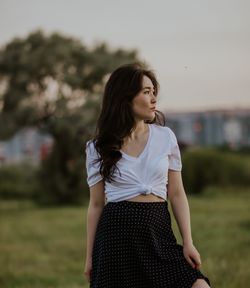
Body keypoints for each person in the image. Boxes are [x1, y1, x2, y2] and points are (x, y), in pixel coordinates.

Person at [84, 62, 211, 288]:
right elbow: (95, 205)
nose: (154, 99)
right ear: (125, 97)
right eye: (146, 92)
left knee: (199, 286)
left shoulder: (166, 137)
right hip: (116, 243)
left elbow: (177, 194)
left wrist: (188, 242)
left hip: (159, 237)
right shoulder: (98, 147)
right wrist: (90, 256)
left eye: (154, 92)